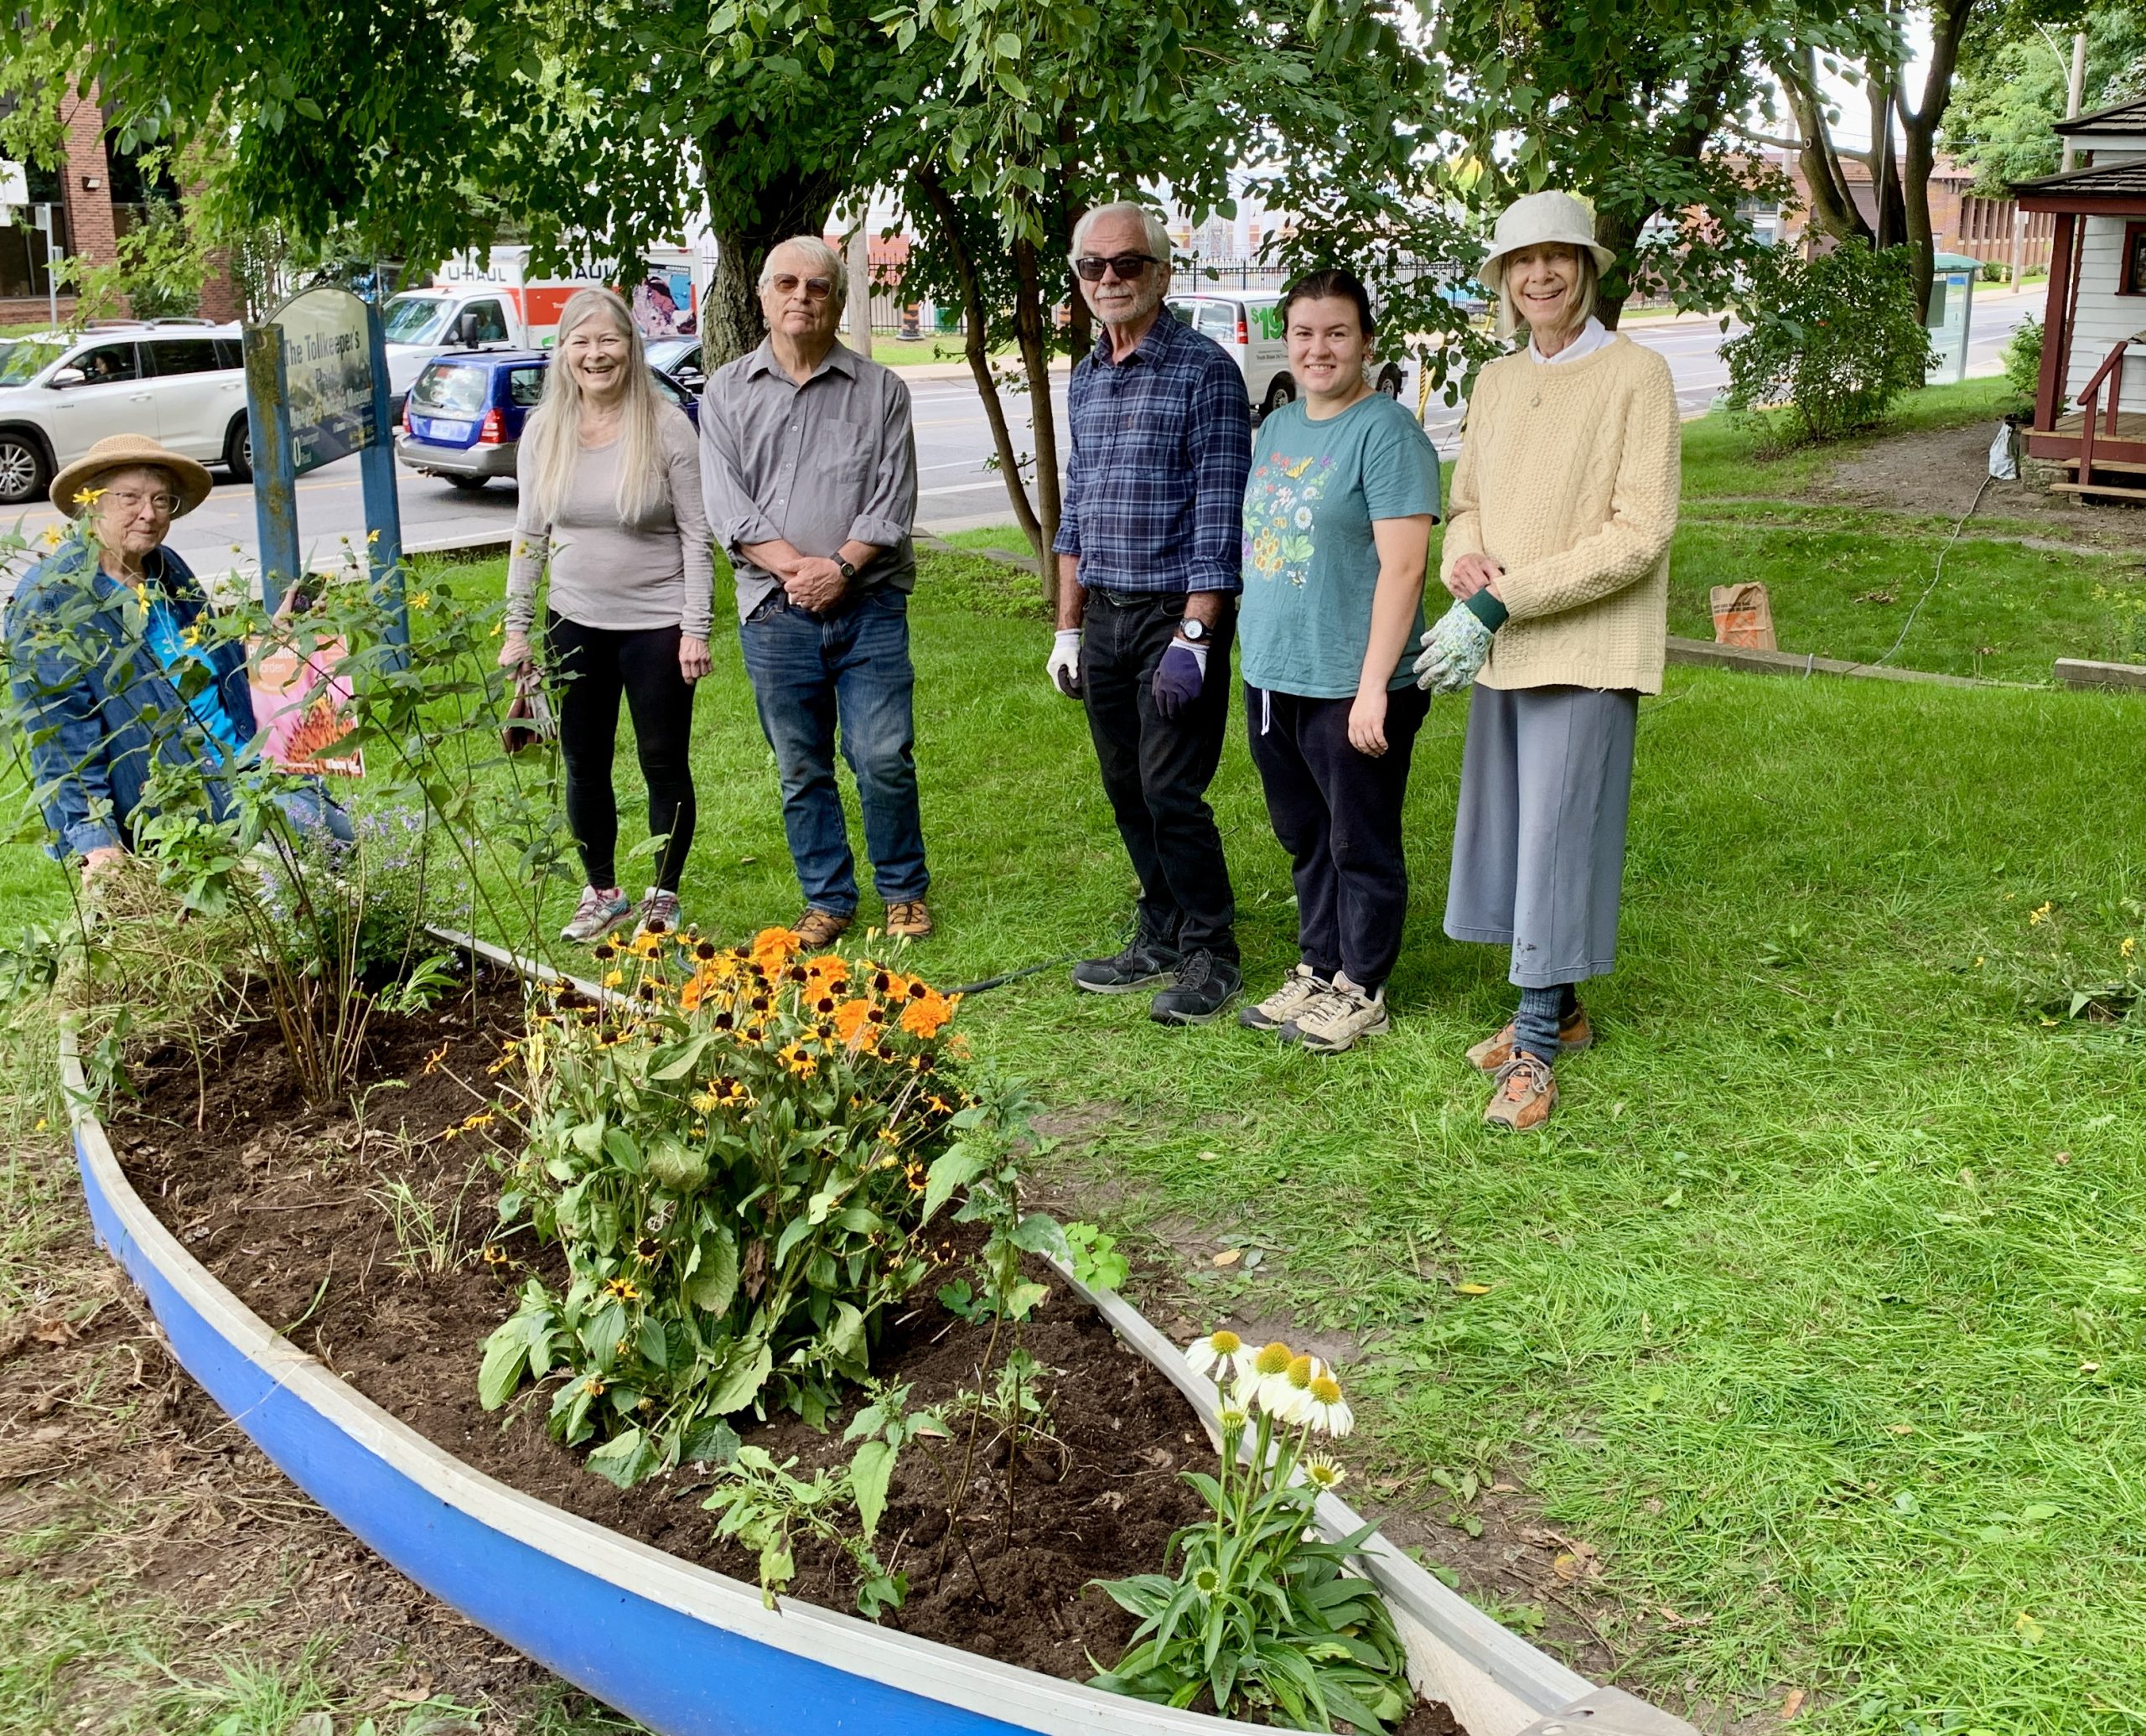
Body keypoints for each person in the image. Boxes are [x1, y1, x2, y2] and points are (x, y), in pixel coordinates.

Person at [1412, 189, 1681, 1130]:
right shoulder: (1492, 380)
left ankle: (1531, 1047)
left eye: (1558, 257)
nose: (1540, 275)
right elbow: (1471, 500)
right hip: (1504, 642)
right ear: (1500, 278)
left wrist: (1501, 597)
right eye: (1521, 262)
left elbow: (1639, 537)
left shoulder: (1636, 375)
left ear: (1589, 267)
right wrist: (1462, 560)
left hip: (1585, 648)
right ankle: (1559, 1014)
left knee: (1560, 841)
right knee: (1519, 837)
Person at [1050, 201, 1253, 1024]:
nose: (1107, 279)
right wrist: (1066, 626)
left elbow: (1219, 510)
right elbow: (1076, 508)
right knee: (1124, 785)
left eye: (1125, 264)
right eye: (1091, 267)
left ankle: (1212, 949)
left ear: (1161, 273)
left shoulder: (1205, 370)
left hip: (1177, 613)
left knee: (1171, 788)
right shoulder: (1088, 375)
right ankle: (1161, 929)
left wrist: (1195, 636)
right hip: (1105, 613)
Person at [700, 236, 929, 949]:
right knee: (802, 766)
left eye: (818, 286)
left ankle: (903, 892)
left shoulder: (882, 391)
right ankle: (827, 899)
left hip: (870, 606)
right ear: (762, 297)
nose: (802, 296)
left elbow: (892, 500)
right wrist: (801, 572)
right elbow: (727, 509)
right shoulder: (726, 393)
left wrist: (843, 570)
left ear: (836, 300)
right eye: (787, 284)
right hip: (774, 614)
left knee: (883, 754)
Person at [1236, 269, 1439, 1055]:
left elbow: (1405, 569)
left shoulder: (1387, 433)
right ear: (1287, 343)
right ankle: (1318, 965)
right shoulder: (1281, 427)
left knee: (1358, 837)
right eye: (1305, 333)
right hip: (1274, 673)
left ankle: (1363, 984)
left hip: (1355, 680)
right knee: (1304, 832)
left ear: (1365, 342)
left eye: (1337, 333)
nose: (1319, 348)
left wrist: (1371, 692)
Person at [5, 433, 350, 873]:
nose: (148, 514)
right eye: (129, 498)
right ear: (91, 503)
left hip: (247, 761)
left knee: (340, 846)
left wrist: (276, 641)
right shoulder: (54, 598)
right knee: (324, 854)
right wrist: (98, 842)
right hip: (176, 793)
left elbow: (215, 666)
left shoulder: (164, 566)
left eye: (162, 501)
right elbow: (61, 738)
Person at [500, 287, 714, 946]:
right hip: (575, 621)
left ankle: (662, 894)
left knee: (661, 759)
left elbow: (695, 534)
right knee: (583, 759)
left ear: (631, 346)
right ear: (564, 352)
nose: (596, 355)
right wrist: (516, 628)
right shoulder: (545, 431)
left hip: (656, 623)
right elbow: (528, 534)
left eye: (609, 341)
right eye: (581, 342)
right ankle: (602, 893)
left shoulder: (668, 423)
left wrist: (696, 626)